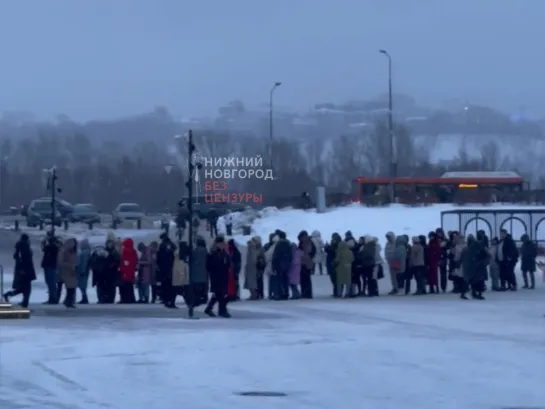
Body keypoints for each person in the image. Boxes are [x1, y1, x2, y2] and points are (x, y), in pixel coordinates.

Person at [3, 233, 36, 308]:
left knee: (23, 288)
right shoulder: (24, 247)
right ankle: (24, 302)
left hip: (24, 270)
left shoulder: (21, 247)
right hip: (25, 270)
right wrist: (23, 270)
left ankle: (11, 295)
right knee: (26, 288)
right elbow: (23, 260)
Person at [205, 236, 231, 318]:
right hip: (216, 276)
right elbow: (208, 265)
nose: (222, 245)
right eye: (220, 243)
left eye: (222, 243)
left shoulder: (224, 253)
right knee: (220, 294)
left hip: (223, 276)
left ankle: (209, 308)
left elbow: (228, 263)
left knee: (219, 294)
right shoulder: (213, 253)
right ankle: (222, 310)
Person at [157, 233, 176, 308]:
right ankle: (169, 299)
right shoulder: (172, 245)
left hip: (164, 268)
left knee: (165, 284)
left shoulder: (162, 245)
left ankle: (165, 298)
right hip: (171, 267)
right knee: (169, 284)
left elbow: (160, 257)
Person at [58, 238, 78, 308]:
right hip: (66, 272)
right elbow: (60, 263)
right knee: (70, 288)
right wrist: (70, 265)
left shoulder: (73, 252)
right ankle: (68, 302)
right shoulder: (64, 252)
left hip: (72, 272)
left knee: (72, 288)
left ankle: (69, 301)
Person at [41, 231, 60, 304]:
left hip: (51, 266)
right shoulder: (49, 247)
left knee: (51, 282)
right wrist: (44, 241)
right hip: (48, 265)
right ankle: (51, 297)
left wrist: (46, 241)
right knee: (49, 282)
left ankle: (53, 298)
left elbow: (44, 248)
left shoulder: (54, 247)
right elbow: (43, 248)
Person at [298, 230, 316, 299]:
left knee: (304, 278)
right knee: (306, 278)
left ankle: (305, 293)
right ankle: (307, 293)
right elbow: (313, 251)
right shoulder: (309, 241)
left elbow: (306, 251)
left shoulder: (305, 242)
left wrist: (304, 256)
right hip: (307, 261)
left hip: (304, 262)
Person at [118, 238, 137, 304]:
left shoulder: (125, 250)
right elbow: (134, 261)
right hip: (131, 271)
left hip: (125, 271)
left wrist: (121, 268)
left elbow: (123, 261)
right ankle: (131, 298)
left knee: (124, 286)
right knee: (129, 286)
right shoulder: (133, 251)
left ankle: (124, 299)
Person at [76, 239, 92, 304]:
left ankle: (84, 298)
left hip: (82, 272)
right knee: (82, 286)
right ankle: (84, 298)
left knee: (82, 286)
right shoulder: (87, 252)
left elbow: (84, 263)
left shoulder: (85, 252)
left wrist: (82, 270)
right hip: (85, 271)